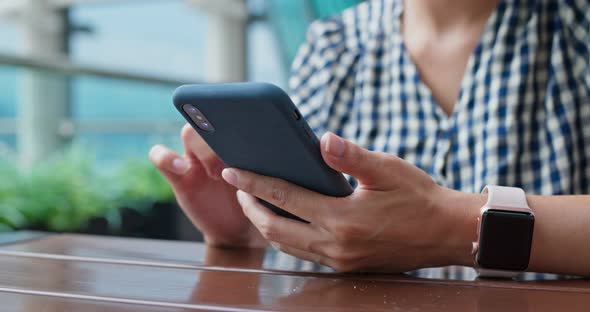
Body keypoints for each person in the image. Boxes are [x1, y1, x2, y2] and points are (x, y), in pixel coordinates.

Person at [150, 0, 590, 277]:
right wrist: (246, 228)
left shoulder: (575, 30)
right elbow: (315, 240)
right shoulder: (334, 45)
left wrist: (450, 225)